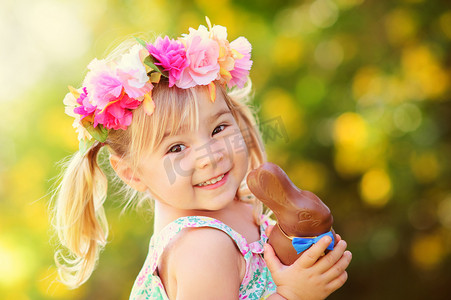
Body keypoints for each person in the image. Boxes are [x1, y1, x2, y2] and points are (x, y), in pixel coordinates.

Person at [53, 18, 352, 299]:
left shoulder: (238, 206)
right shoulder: (202, 248)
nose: (209, 157)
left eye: (219, 128)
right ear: (132, 173)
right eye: (176, 148)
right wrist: (292, 295)